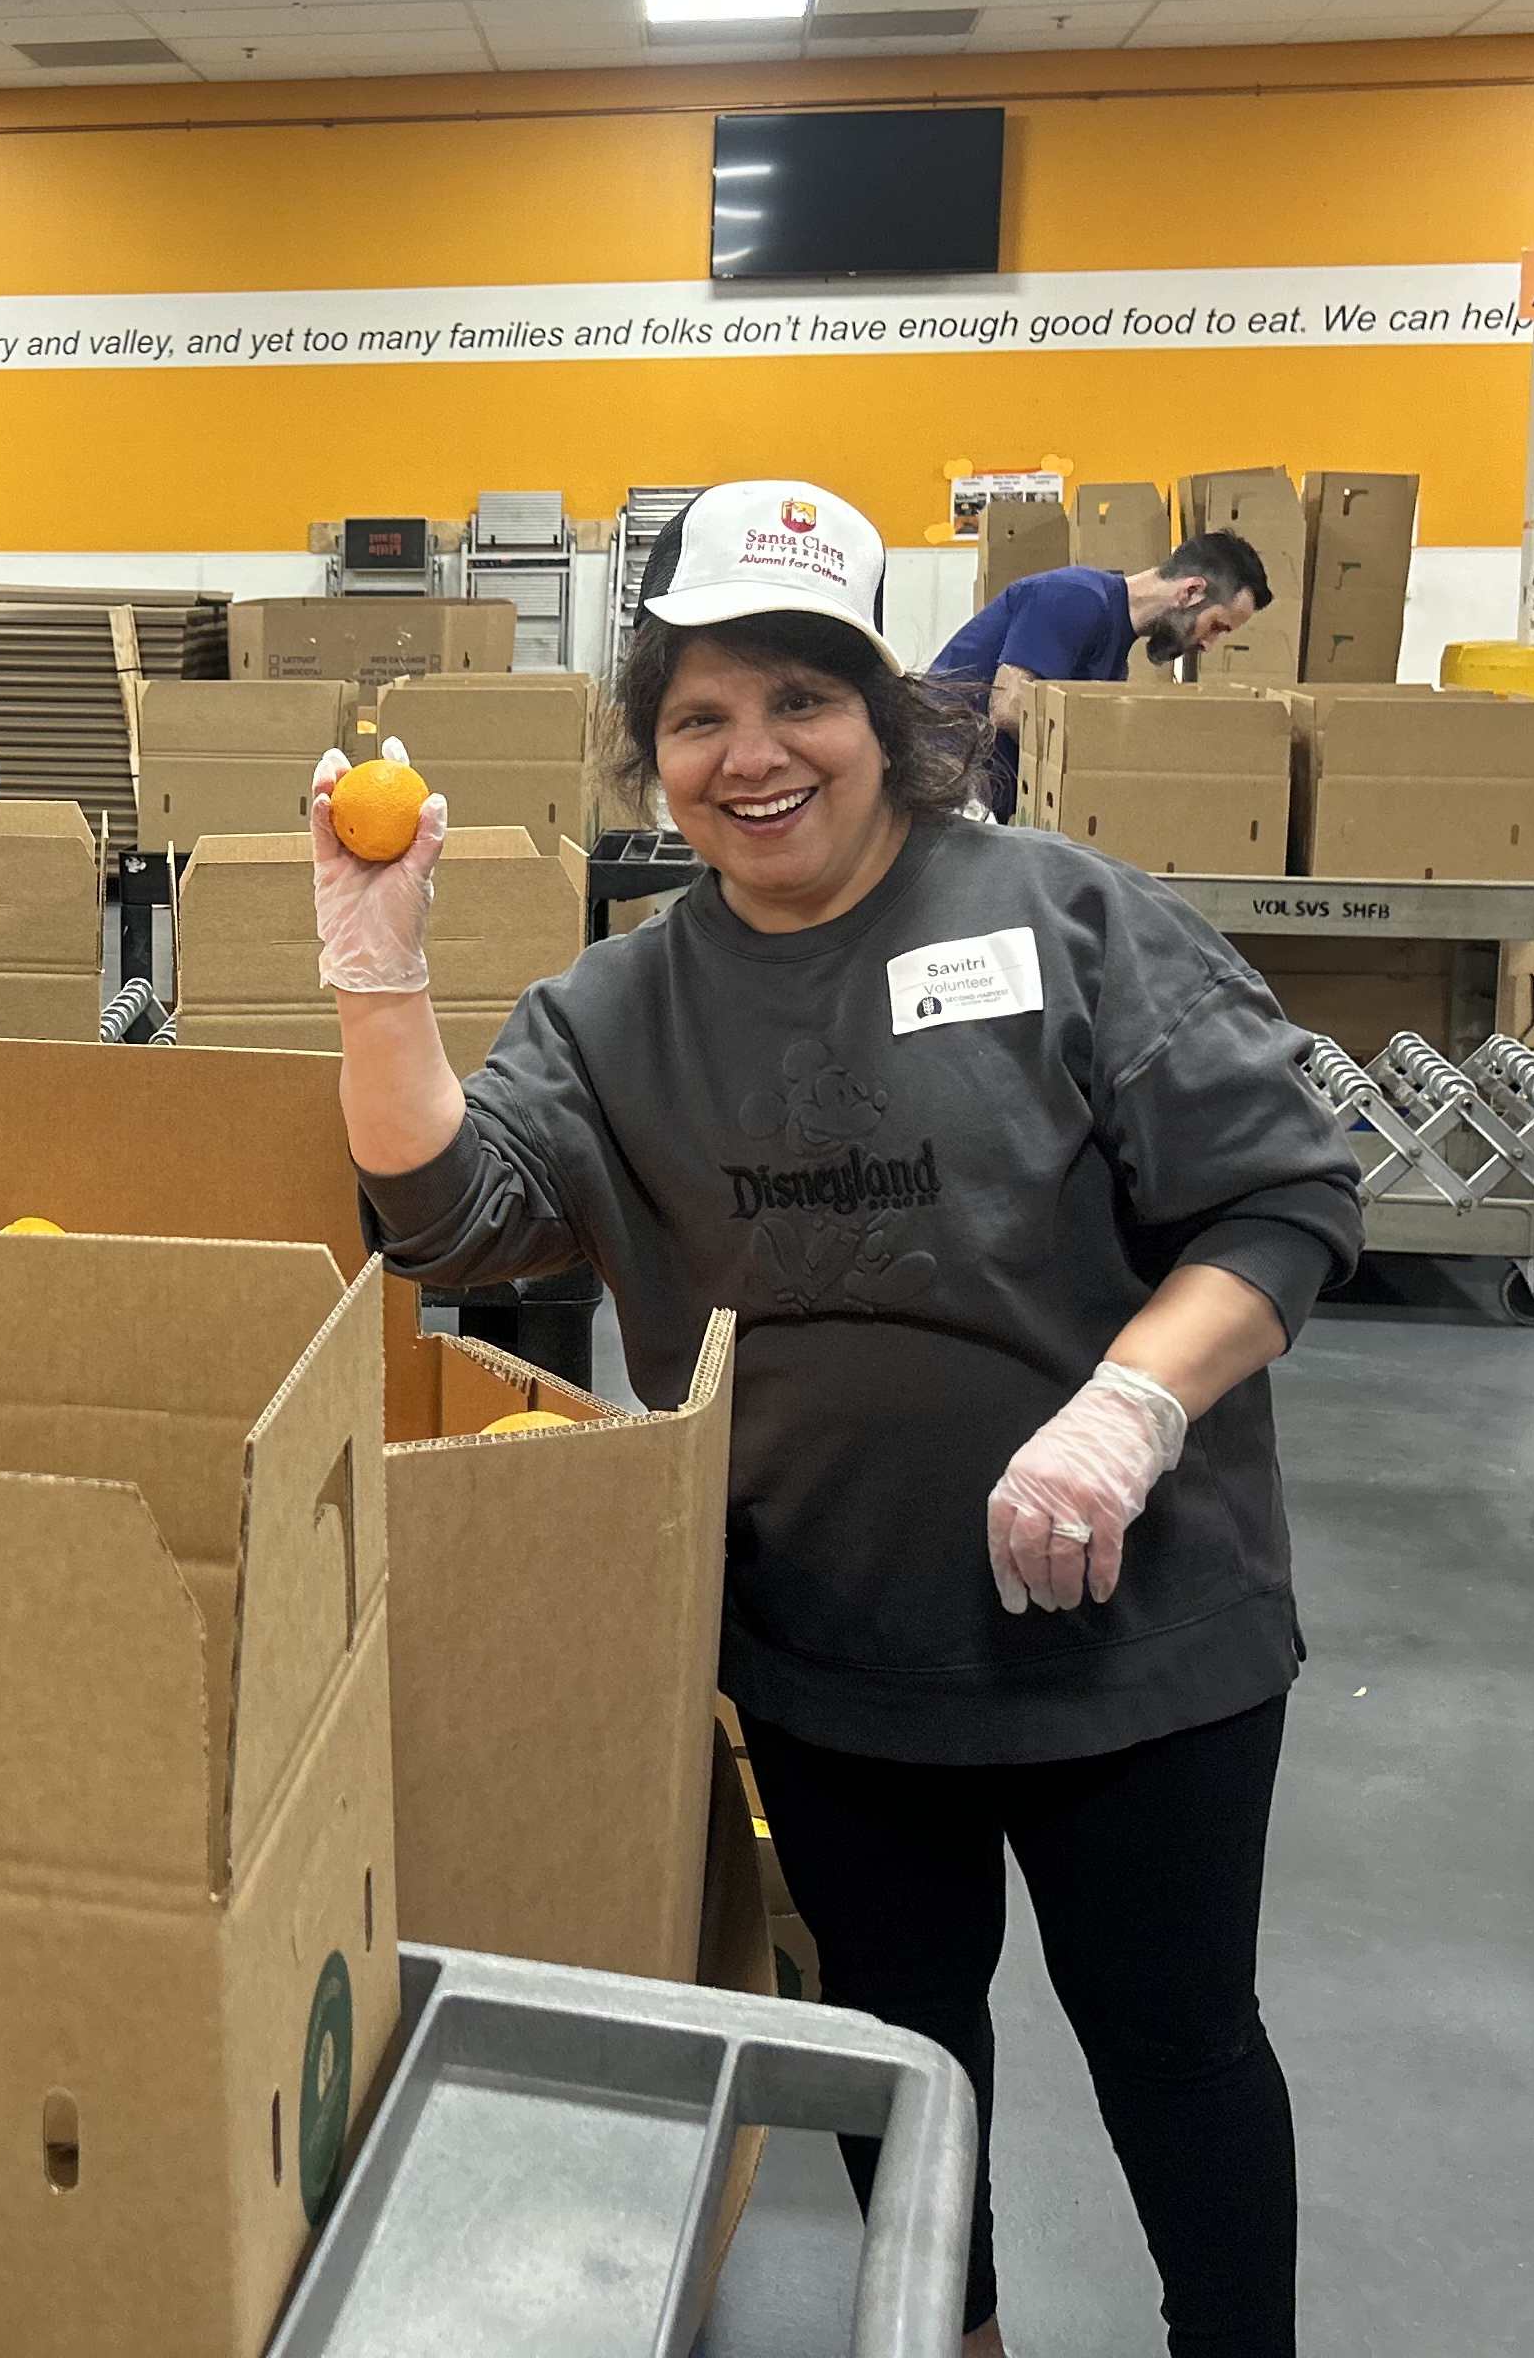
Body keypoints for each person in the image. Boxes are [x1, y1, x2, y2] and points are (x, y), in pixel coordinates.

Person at [316, 478, 1360, 2358]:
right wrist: (379, 978)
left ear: (887, 715)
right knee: (897, 2044)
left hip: (1139, 1647)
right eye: (699, 714)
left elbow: (1282, 1199)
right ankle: (951, 2335)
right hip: (830, 1660)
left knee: (1177, 2041)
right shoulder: (622, 1009)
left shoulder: (1065, 917)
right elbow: (453, 1216)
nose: (753, 754)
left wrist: (1129, 1408)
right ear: (649, 752)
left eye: (800, 697)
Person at [930, 532, 1276, 817]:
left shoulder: (1115, 651)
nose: (1208, 645)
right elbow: (1008, 708)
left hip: (983, 801)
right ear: (1191, 592)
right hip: (942, 788)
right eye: (1216, 626)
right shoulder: (1074, 597)